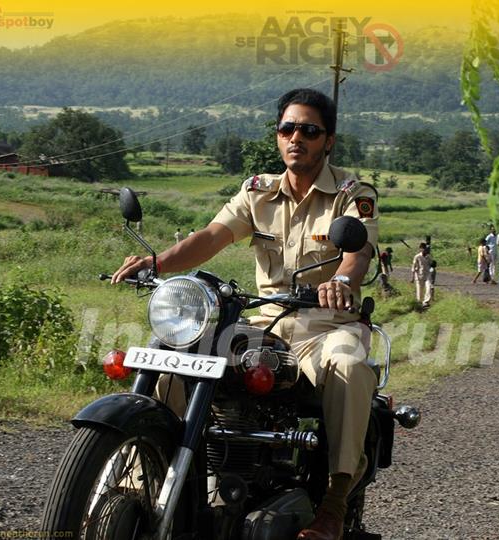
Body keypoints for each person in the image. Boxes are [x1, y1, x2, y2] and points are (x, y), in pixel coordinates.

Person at [112, 88, 378, 540]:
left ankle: (334, 500)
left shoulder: (352, 194)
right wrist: (155, 264)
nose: (297, 137)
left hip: (325, 325)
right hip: (264, 325)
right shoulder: (257, 192)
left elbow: (359, 253)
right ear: (278, 137)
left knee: (350, 366)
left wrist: (342, 282)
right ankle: (145, 479)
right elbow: (210, 237)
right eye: (288, 128)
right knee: (177, 360)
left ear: (328, 140)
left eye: (309, 130)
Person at [411, 242, 433, 308]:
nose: (425, 250)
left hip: (427, 275)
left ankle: (426, 302)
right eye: (424, 249)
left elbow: (431, 265)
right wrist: (412, 278)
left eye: (426, 249)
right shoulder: (417, 257)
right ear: (420, 249)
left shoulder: (429, 257)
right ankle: (419, 302)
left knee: (428, 287)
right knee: (419, 290)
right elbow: (413, 267)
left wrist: (432, 271)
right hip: (419, 275)